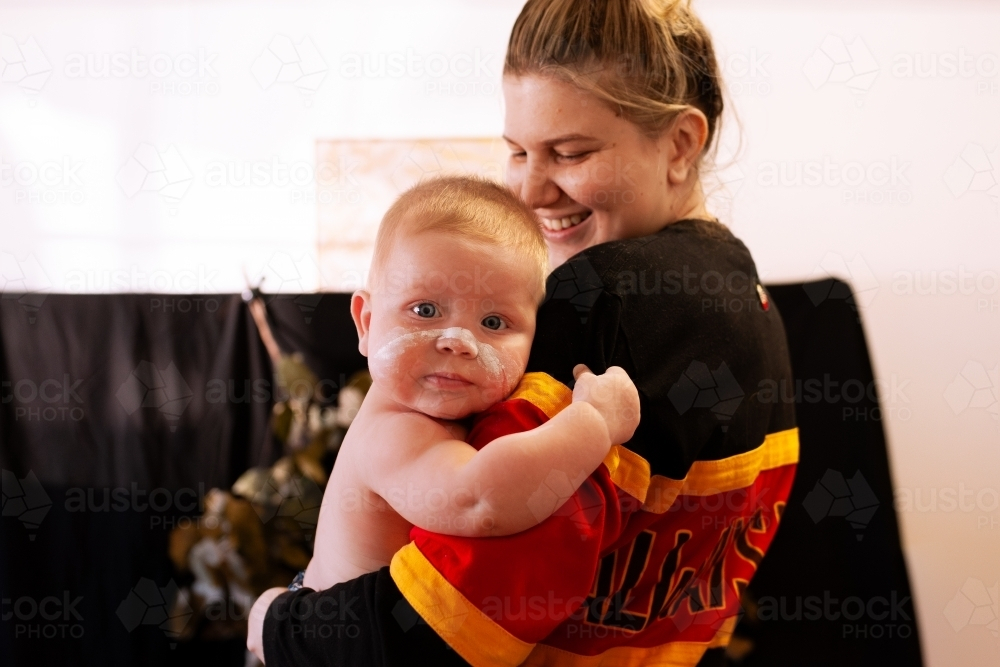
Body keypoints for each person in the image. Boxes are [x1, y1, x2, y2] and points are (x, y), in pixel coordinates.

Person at [249, 1, 798, 665]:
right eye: (517, 151)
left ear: (681, 144)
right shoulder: (755, 306)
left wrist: (278, 623)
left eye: (570, 153)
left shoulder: (604, 301)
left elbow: (445, 628)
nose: (531, 191)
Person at [300, 175, 640, 592]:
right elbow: (480, 501)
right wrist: (596, 421)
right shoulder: (394, 431)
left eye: (493, 322)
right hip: (332, 628)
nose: (459, 341)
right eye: (425, 310)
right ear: (366, 324)